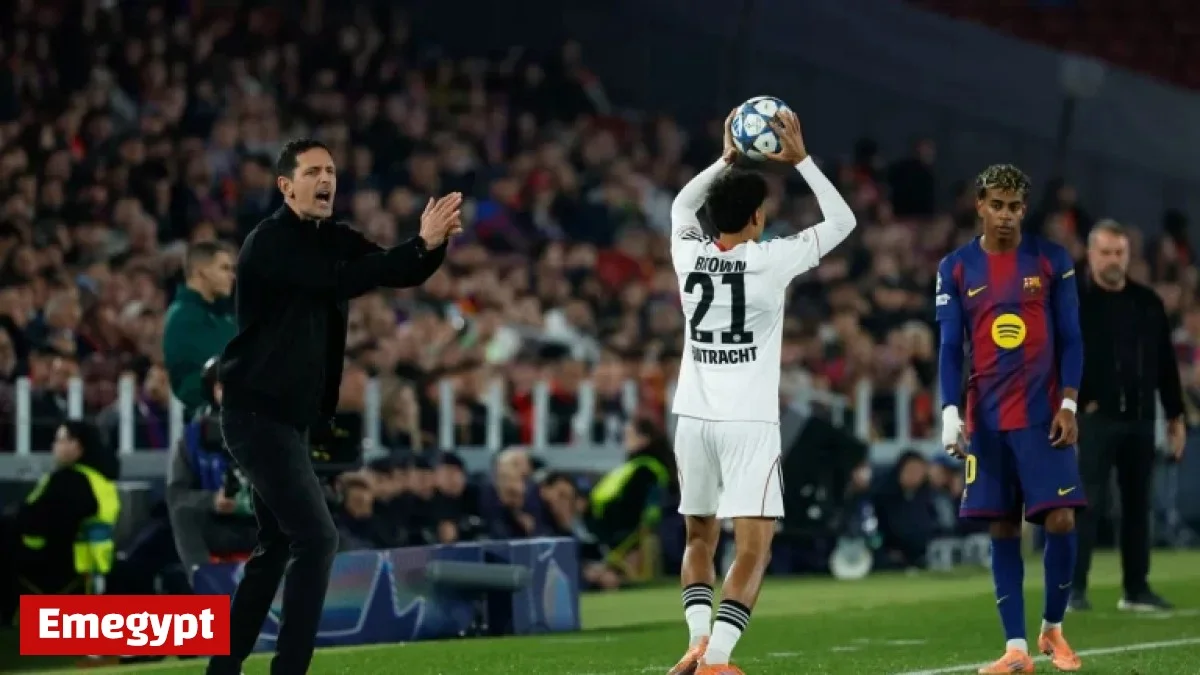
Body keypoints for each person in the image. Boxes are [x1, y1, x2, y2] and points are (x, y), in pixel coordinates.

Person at [208, 138, 462, 675]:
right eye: (313, 172)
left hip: (288, 419)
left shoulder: (332, 237)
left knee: (278, 546)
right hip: (255, 415)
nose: (326, 179)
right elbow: (340, 280)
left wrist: (431, 247)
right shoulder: (270, 242)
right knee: (317, 537)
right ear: (286, 186)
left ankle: (223, 668)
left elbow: (393, 270)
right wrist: (418, 244)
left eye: (330, 171)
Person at [667, 109, 856, 675]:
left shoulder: (687, 251)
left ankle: (696, 641)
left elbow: (681, 207)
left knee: (698, 536)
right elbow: (842, 220)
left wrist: (724, 158)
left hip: (693, 418)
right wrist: (803, 161)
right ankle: (718, 660)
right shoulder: (770, 261)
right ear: (756, 217)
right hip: (748, 423)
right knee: (754, 547)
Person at [935, 164, 1086, 674]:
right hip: (988, 419)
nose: (1005, 215)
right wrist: (950, 411)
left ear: (1024, 210)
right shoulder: (956, 267)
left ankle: (1053, 627)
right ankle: (1016, 648)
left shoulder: (1052, 260)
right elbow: (950, 346)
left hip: (1044, 415)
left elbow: (1072, 338)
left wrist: (1069, 404)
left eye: (1014, 207)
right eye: (996, 205)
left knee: (1061, 518)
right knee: (1002, 526)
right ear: (980, 204)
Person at [1070, 220, 1186, 612]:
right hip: (1094, 419)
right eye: (1105, 252)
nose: (1113, 260)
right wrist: (1075, 405)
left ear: (1128, 255)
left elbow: (1165, 363)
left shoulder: (1147, 302)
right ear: (1091, 254)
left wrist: (1175, 415)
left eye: (1119, 252)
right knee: (1086, 504)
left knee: (1138, 506)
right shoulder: (1073, 302)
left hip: (1140, 418)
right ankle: (1073, 589)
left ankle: (1136, 589)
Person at [1, 420, 120, 625]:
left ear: (77, 446)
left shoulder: (70, 481)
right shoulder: (97, 479)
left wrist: (14, 517)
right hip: (90, 565)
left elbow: (40, 522)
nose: (54, 446)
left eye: (60, 440)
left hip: (61, 564)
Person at [163, 240, 237, 419]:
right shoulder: (182, 316)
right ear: (200, 271)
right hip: (200, 421)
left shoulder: (225, 316)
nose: (232, 276)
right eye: (224, 268)